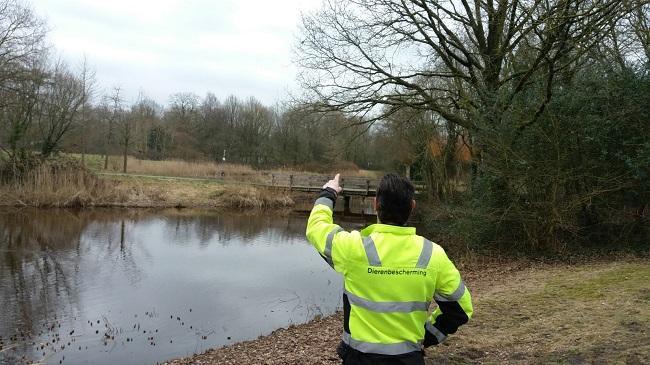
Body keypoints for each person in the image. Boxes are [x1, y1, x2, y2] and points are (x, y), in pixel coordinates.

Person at [306, 173, 473, 365]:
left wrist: (328, 193)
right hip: (409, 359)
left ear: (376, 204)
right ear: (412, 206)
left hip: (359, 359)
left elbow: (317, 228)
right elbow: (461, 308)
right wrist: (427, 336)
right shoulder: (433, 254)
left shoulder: (354, 248)